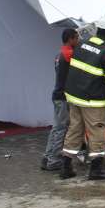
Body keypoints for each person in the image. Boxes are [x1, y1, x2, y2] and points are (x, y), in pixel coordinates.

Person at [60, 17, 105, 180]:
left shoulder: (82, 44)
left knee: (74, 130)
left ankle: (66, 167)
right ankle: (96, 170)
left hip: (74, 97)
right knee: (97, 133)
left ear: (97, 30)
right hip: (92, 100)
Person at [41, 28, 79, 171]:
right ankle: (54, 160)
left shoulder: (59, 54)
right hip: (64, 96)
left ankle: (47, 157)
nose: (78, 41)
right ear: (70, 39)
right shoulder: (69, 54)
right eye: (76, 38)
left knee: (56, 128)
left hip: (57, 95)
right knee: (61, 129)